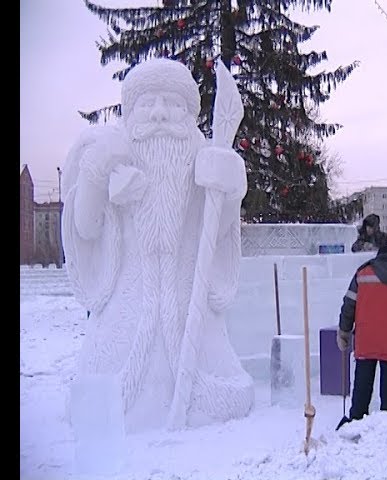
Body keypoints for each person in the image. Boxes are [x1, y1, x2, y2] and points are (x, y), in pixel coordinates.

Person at [61, 58, 253, 432]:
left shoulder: (201, 153)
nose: (160, 114)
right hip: (125, 312)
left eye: (172, 103)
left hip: (190, 308)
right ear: (131, 111)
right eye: (148, 103)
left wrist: (230, 185)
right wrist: (97, 176)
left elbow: (218, 227)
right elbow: (84, 228)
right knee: (101, 396)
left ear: (188, 112)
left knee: (219, 393)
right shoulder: (111, 151)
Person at [335, 245, 387, 423]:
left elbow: (349, 305)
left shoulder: (363, 274)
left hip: (366, 342)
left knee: (361, 391)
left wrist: (344, 332)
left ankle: (356, 425)